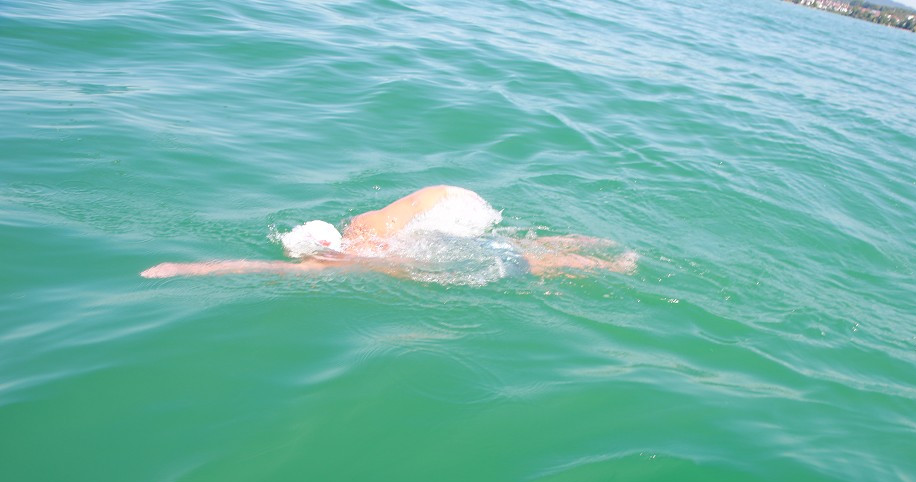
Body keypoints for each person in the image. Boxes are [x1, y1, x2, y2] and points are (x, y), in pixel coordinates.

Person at [140, 185, 637, 279]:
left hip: (449, 222)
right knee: (518, 246)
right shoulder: (364, 225)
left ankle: (611, 262)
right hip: (454, 203)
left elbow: (264, 268)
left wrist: (187, 268)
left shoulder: (357, 256)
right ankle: (589, 245)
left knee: (530, 261)